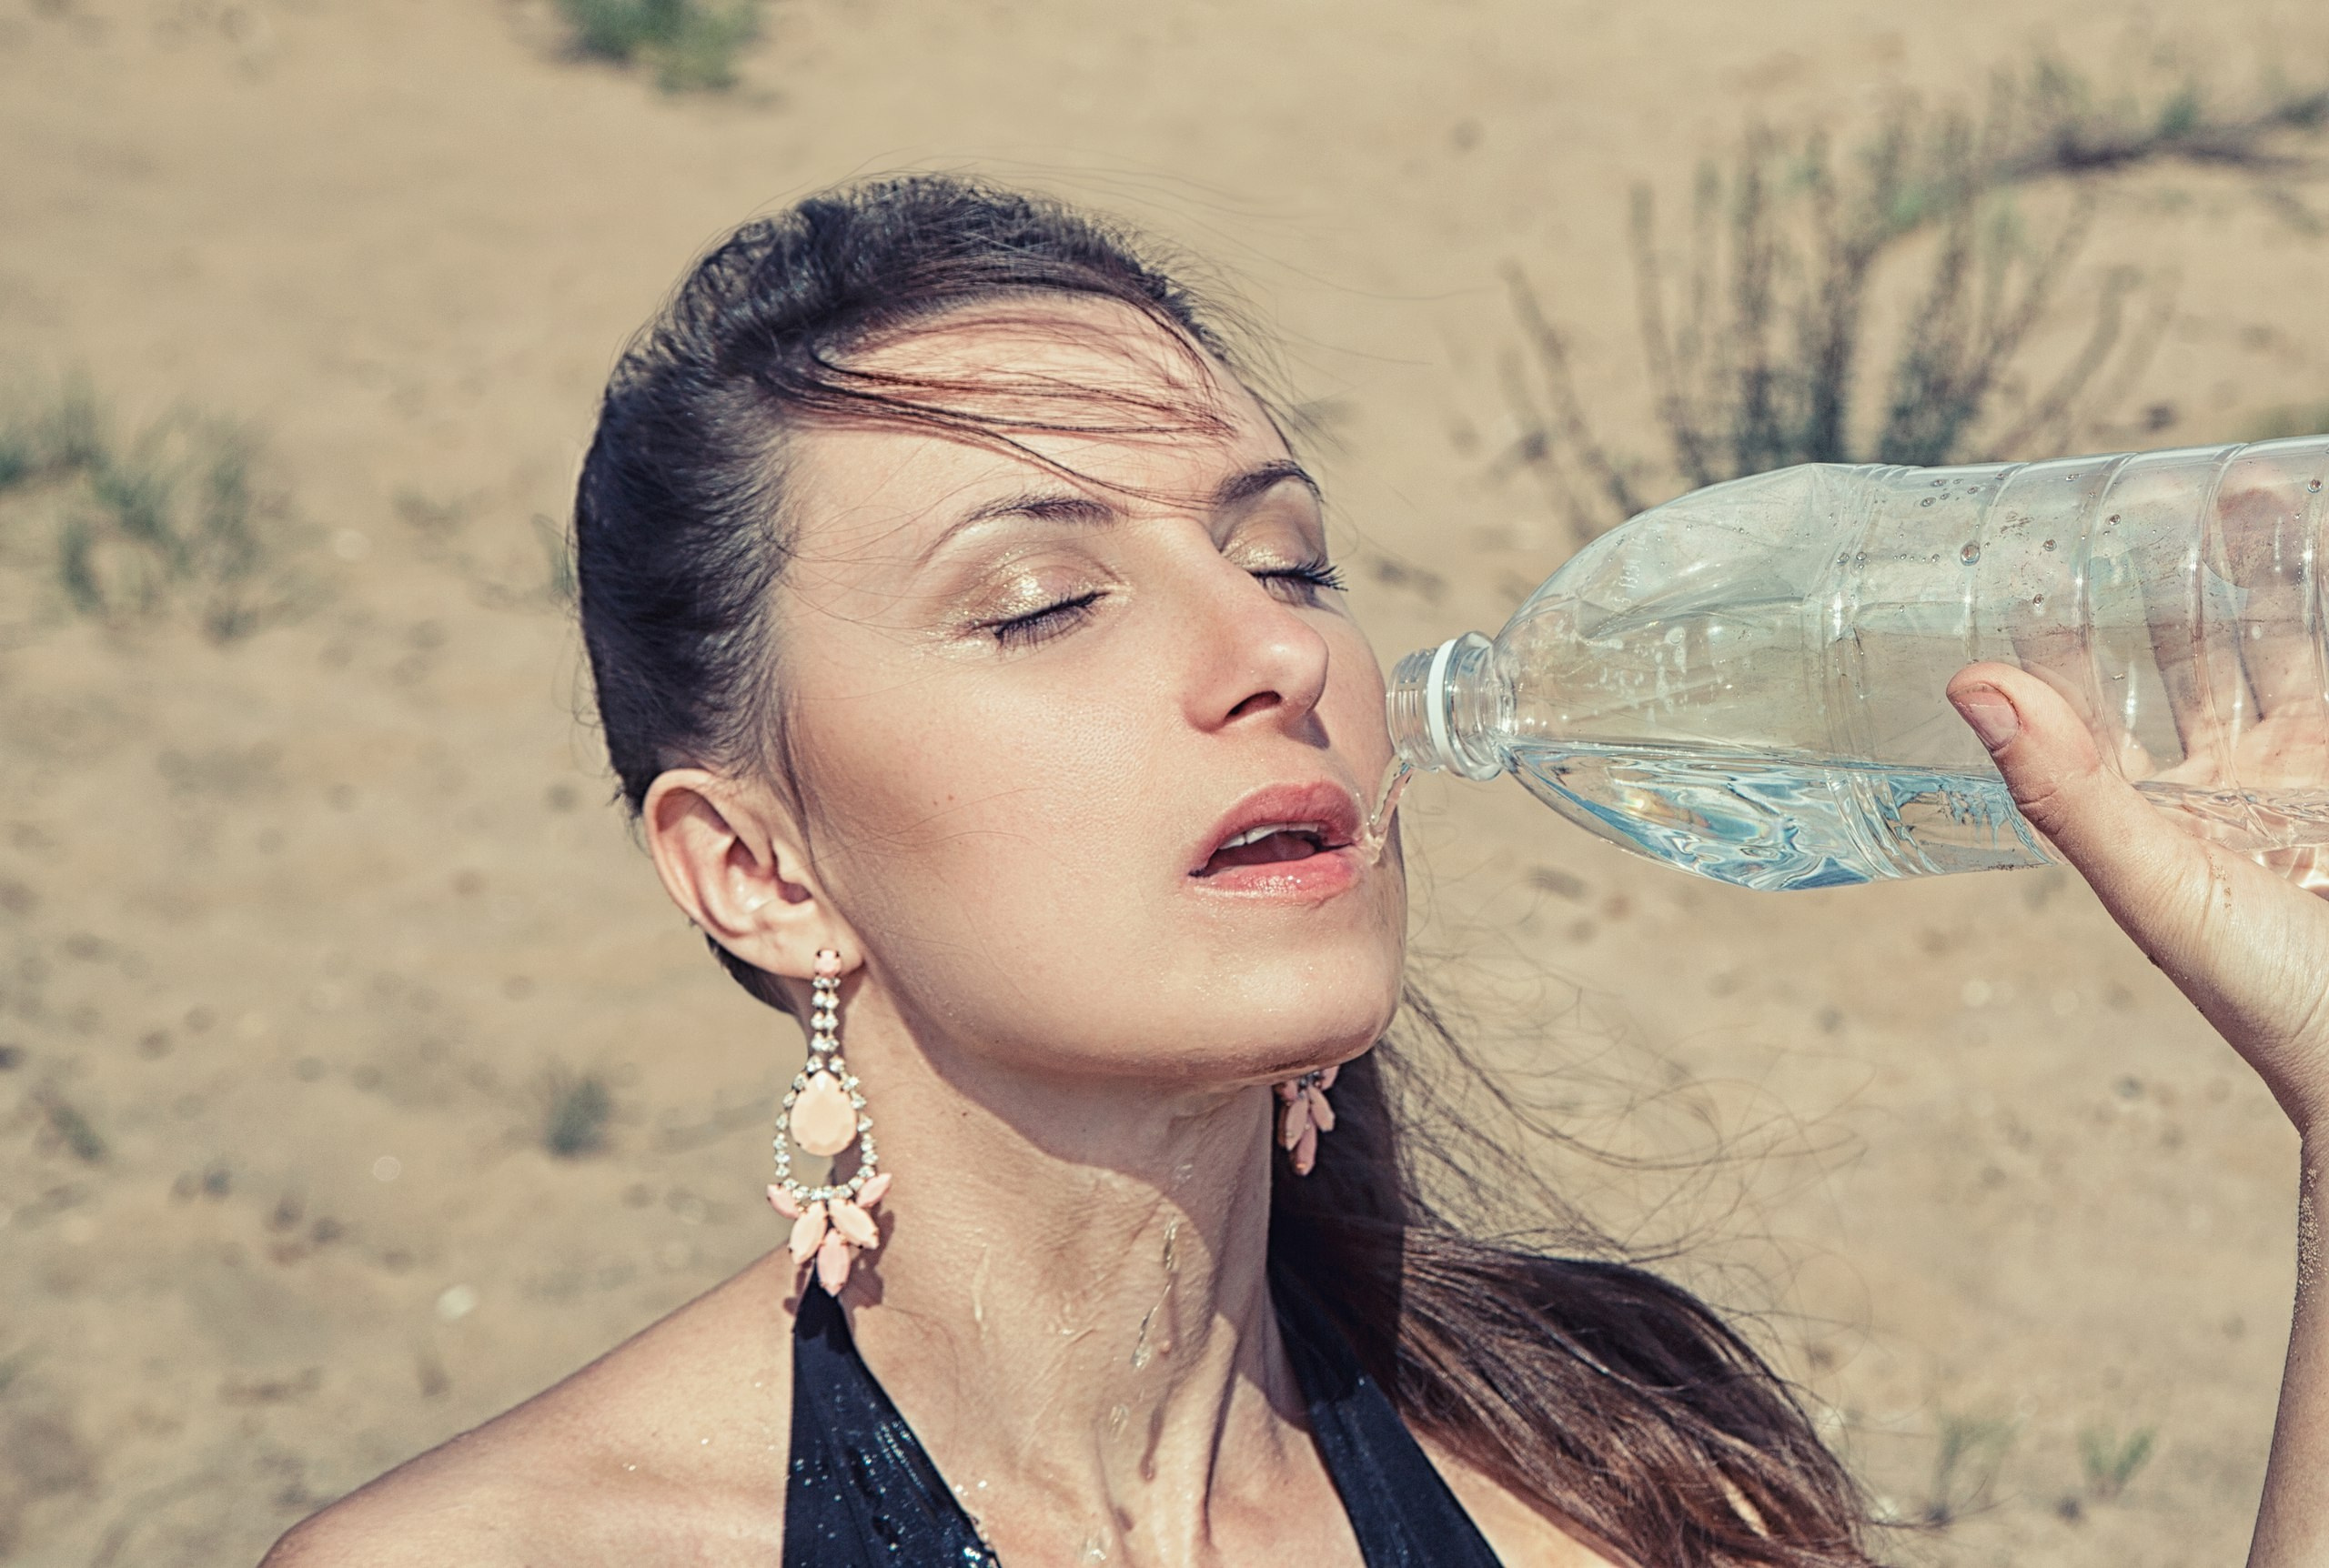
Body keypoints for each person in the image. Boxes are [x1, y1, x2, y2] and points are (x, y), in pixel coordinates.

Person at [262, 176, 2329, 1567]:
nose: (1275, 655)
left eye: (1284, 557)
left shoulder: (1612, 1481)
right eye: (1041, 601)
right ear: (758, 867)